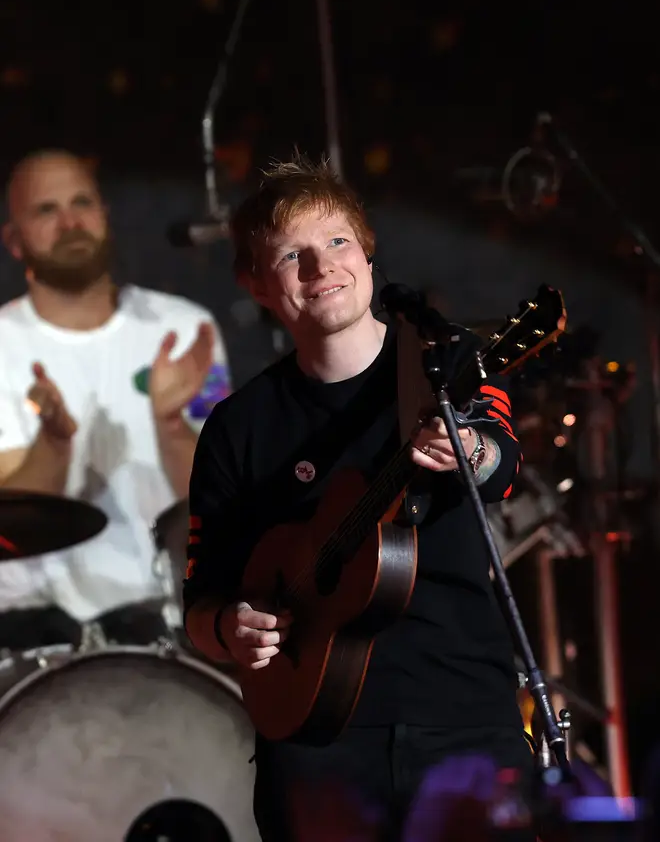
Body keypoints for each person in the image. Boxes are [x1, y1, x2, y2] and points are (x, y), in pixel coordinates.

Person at [184, 157, 533, 841]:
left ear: (369, 255)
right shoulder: (238, 426)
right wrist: (232, 629)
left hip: (462, 720)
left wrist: (475, 453)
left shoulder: (447, 366)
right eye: (292, 254)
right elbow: (200, 603)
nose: (322, 267)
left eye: (338, 241)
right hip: (317, 743)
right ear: (255, 283)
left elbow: (502, 465)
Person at [0, 150, 231, 650]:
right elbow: (11, 520)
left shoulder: (186, 329)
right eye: (46, 210)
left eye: (82, 201)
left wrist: (171, 425)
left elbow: (220, 502)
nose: (70, 220)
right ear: (14, 241)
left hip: (166, 625)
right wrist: (55, 443)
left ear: (104, 214)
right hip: (31, 639)